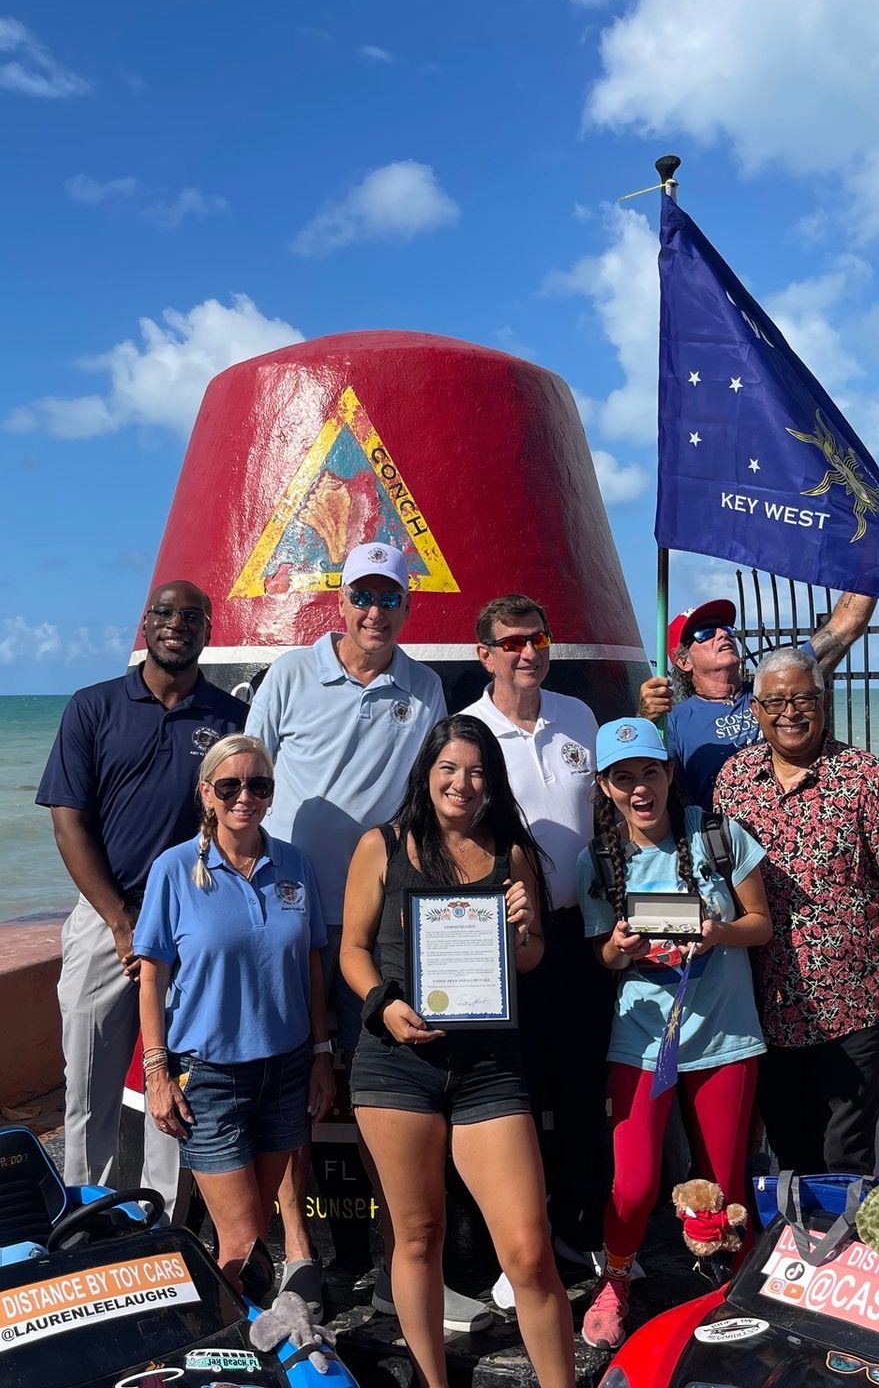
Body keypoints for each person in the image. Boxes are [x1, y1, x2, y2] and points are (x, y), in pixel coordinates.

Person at [246, 541, 451, 1316]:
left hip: (379, 924)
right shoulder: (292, 675)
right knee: (287, 1082)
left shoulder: (424, 686)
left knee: (382, 1088)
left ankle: (404, 1249)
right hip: (289, 919)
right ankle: (299, 1251)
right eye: (363, 596)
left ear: (407, 605)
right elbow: (244, 780)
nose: (375, 612)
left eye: (389, 598)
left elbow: (438, 797)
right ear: (341, 601)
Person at [340, 716, 574, 1388]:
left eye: (475, 771)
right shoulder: (380, 846)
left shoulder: (512, 855)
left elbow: (528, 961)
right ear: (427, 774)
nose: (462, 783)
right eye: (449, 769)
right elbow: (352, 950)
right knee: (416, 1239)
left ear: (491, 782)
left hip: (489, 1070)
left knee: (528, 1253)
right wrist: (384, 1004)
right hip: (396, 1065)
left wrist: (527, 928)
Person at [36, 580, 247, 1203]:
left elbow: (243, 820)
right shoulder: (92, 707)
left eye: (191, 616)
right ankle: (84, 1217)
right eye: (164, 613)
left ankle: (165, 1224)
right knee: (89, 1087)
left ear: (208, 631)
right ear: (145, 624)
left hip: (194, 925)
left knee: (181, 1084)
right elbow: (67, 822)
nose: (176, 624)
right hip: (107, 921)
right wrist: (122, 920)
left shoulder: (230, 720)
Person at [574, 717, 773, 1350]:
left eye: (649, 772)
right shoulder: (598, 859)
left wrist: (717, 932)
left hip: (724, 1037)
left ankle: (728, 1286)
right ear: (606, 787)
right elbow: (602, 957)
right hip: (641, 1038)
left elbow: (761, 924)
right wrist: (620, 947)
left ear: (668, 774)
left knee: (723, 1181)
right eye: (623, 777)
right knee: (633, 1187)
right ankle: (618, 1276)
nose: (639, 789)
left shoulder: (718, 837)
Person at [710, 646, 879, 1176]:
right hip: (764, 1010)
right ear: (756, 710)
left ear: (824, 703)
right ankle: (802, 1256)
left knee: (844, 1160)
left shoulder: (864, 779)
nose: (790, 712)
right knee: (790, 1157)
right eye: (775, 701)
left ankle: (843, 1255)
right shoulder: (733, 783)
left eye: (803, 698)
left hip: (850, 1010)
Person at [135, 735, 335, 1271]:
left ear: (271, 794)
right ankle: (239, 1343)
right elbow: (151, 978)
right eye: (229, 785)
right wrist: (157, 1072)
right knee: (245, 1241)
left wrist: (321, 1053)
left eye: (258, 785)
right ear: (207, 794)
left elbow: (312, 964)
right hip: (209, 1077)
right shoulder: (173, 871)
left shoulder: (294, 865)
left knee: (252, 1240)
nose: (244, 796)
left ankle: (251, 1335)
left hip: (286, 1070)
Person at [457, 594, 610, 1283]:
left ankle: (583, 1227)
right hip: (508, 935)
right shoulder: (466, 730)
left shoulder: (579, 716)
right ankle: (519, 1239)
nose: (528, 652)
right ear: (484, 653)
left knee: (581, 1088)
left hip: (584, 934)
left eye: (538, 638)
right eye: (512, 642)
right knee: (515, 1094)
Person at [638, 495, 879, 806]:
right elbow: (647, 783)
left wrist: (876, 538)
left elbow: (844, 627)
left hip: (796, 837)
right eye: (705, 633)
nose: (722, 635)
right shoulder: (673, 722)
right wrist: (644, 718)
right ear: (683, 660)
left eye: (725, 628)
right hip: (726, 850)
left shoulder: (780, 687)